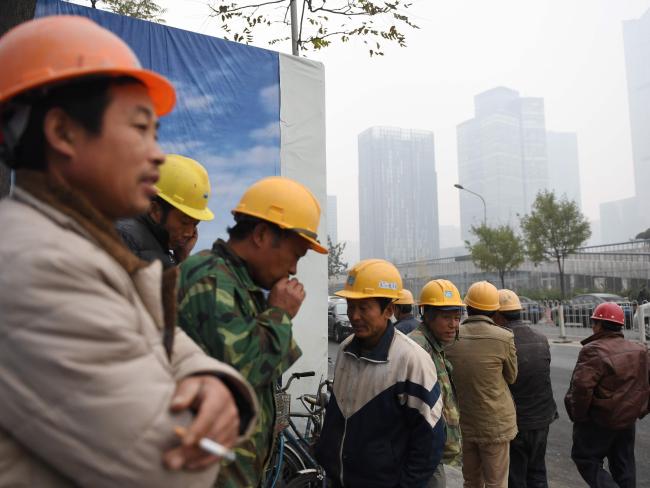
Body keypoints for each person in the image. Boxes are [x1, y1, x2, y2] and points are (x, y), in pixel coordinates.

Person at [0, 15, 257, 487]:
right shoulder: (37, 265)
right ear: (63, 133)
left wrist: (214, 382)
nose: (157, 155)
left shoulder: (89, 251)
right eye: (141, 129)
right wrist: (221, 426)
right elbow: (169, 468)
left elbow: (167, 343)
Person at [176, 176, 327, 488]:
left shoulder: (240, 285)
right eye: (296, 255)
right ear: (260, 234)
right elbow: (244, 372)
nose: (295, 269)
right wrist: (281, 313)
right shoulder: (211, 280)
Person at [315, 259, 445, 488]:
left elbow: (430, 442)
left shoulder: (411, 361)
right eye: (351, 306)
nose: (354, 316)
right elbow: (338, 413)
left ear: (389, 310)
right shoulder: (345, 349)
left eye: (364, 308)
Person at [565, 302, 650, 488]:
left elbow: (581, 389)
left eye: (593, 323)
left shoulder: (593, 350)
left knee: (585, 459)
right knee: (624, 465)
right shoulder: (640, 350)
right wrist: (640, 410)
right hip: (627, 419)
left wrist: (580, 417)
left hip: (600, 420)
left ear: (599, 325)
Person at [446, 281, 518, 488]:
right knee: (496, 483)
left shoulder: (451, 336)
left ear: (467, 307)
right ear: (495, 310)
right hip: (496, 424)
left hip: (464, 421)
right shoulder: (504, 337)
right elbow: (512, 377)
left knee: (471, 480)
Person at [493, 289, 557, 488]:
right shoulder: (540, 338)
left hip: (517, 423)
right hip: (542, 418)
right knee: (537, 472)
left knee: (516, 476)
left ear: (497, 314)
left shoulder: (501, 342)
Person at [408, 279, 464, 488]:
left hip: (432, 452)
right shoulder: (417, 347)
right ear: (428, 316)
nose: (453, 325)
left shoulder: (434, 344)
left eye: (457, 318)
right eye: (446, 317)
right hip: (421, 452)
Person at [116, 153, 214, 267]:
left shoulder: (161, 247)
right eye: (185, 222)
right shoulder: (125, 238)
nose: (190, 233)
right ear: (155, 210)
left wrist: (182, 257)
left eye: (195, 224)